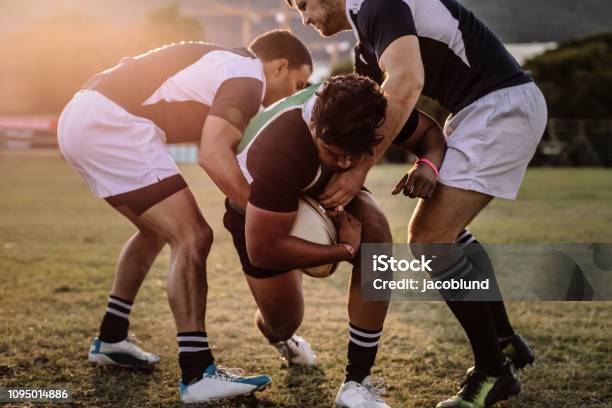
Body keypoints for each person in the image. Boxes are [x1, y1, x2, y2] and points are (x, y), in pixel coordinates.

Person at [285, 1, 547, 407]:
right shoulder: (366, 46)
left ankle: (494, 371)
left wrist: (357, 174)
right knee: (446, 235)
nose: (304, 18)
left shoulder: (377, 5)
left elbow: (406, 82)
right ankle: (504, 342)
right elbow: (366, 119)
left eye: (304, 3)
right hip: (480, 109)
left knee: (429, 238)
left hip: (500, 106)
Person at [57, 29, 312, 403]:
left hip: (85, 116)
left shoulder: (230, 67)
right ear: (279, 66)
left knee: (154, 231)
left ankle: (111, 338)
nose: (295, 94)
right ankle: (197, 374)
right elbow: (213, 155)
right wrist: (266, 219)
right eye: (298, 83)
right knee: (193, 236)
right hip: (110, 123)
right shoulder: (248, 77)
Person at [212, 74, 446, 408]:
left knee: (376, 237)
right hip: (260, 218)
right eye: (334, 153)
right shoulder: (282, 147)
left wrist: (427, 167)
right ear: (313, 129)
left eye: (357, 155)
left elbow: (431, 134)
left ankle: (357, 382)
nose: (346, 164)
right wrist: (343, 249)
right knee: (283, 322)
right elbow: (263, 249)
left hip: (319, 194)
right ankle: (279, 335)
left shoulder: (369, 111)